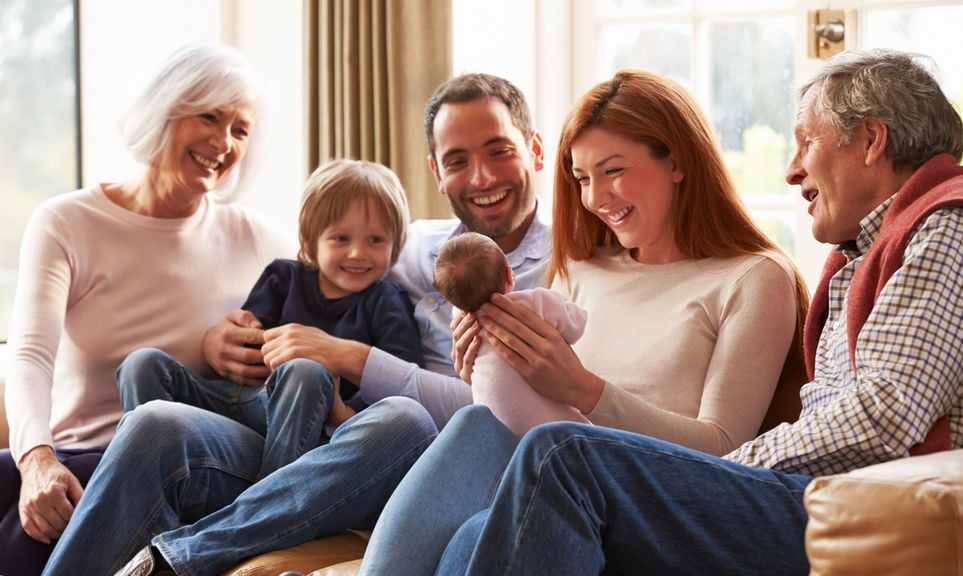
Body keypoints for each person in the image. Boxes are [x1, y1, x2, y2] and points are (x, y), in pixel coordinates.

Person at [391, 49, 963, 575]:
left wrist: (738, 466)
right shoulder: (865, 253)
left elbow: (885, 413)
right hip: (772, 489)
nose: (791, 170)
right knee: (473, 464)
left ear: (870, 140)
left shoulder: (940, 228)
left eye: (806, 142)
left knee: (558, 452)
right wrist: (493, 364)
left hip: (821, 498)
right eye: (583, 178)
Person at [42, 72, 553, 576]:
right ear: (436, 173)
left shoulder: (569, 267)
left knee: (403, 417)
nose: (482, 177)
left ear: (534, 150)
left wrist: (343, 356)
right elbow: (330, 262)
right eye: (457, 160)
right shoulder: (414, 247)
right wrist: (221, 337)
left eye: (498, 150)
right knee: (155, 422)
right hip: (298, 454)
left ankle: (177, 557)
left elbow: (508, 416)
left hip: (388, 456)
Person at [359, 68, 811, 575]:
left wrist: (584, 388)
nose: (595, 198)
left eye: (613, 170)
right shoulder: (581, 267)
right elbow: (532, 403)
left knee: (478, 522)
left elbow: (726, 448)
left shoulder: (753, 278)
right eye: (581, 178)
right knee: (474, 426)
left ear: (678, 161)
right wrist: (485, 362)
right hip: (551, 492)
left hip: (658, 508)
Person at [0, 42, 294, 576]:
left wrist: (240, 351)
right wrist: (35, 458)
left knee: (29, 531)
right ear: (166, 106)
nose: (223, 142)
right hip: (72, 452)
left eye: (240, 130)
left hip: (170, 468)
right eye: (209, 115)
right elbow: (29, 355)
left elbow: (300, 364)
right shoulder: (66, 222)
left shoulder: (262, 241)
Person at [117, 159, 423, 481]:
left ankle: (267, 500)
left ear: (395, 245)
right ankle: (148, 478)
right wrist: (239, 332)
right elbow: (246, 338)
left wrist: (348, 413)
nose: (358, 253)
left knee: (305, 370)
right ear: (310, 242)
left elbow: (397, 383)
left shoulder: (386, 301)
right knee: (142, 363)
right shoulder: (283, 276)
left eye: (376, 240)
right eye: (341, 239)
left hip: (299, 420)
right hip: (239, 396)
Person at [434, 231, 589, 436]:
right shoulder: (534, 303)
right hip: (556, 431)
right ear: (509, 274)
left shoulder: (462, 323)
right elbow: (576, 327)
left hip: (498, 436)